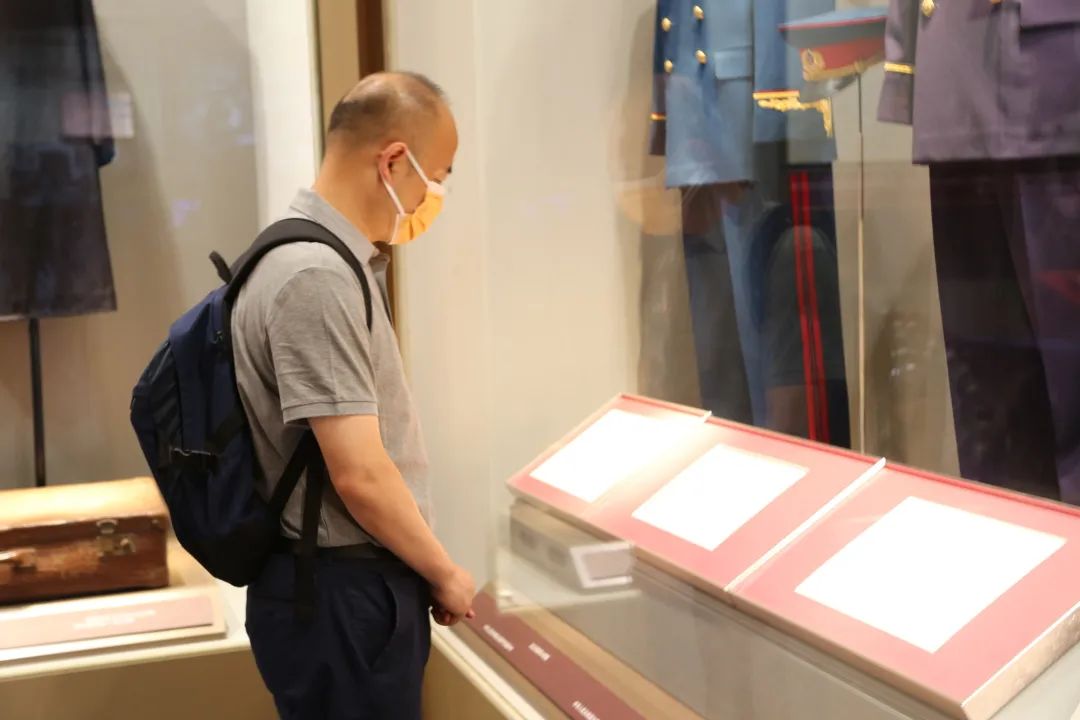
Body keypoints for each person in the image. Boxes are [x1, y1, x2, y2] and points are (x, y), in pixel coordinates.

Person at [231, 72, 475, 720]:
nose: (433, 196)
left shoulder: (310, 258)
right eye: (437, 177)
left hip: (337, 586)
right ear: (394, 161)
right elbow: (360, 473)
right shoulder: (315, 275)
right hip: (342, 590)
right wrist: (444, 571)